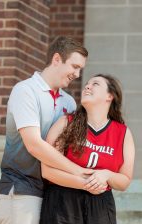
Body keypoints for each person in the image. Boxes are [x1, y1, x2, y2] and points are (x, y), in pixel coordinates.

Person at [0, 36, 90, 224]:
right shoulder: (25, 90)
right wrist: (79, 172)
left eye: (80, 69)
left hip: (53, 191)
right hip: (22, 187)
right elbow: (34, 145)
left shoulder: (69, 102)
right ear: (56, 59)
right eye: (74, 66)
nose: (77, 75)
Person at [40, 74, 135, 224]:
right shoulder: (66, 122)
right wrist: (86, 184)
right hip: (62, 201)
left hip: (100, 205)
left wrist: (106, 174)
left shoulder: (123, 133)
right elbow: (47, 171)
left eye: (95, 84)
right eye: (87, 84)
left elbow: (124, 181)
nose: (87, 86)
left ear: (110, 96)